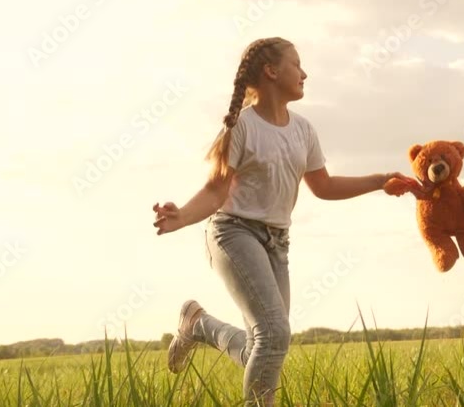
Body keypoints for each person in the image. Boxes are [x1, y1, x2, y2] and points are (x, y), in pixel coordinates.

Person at [152, 37, 421, 405]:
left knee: (262, 349)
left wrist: (379, 182)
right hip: (233, 233)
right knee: (274, 335)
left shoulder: (303, 130)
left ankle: (197, 324)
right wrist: (181, 216)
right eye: (297, 64)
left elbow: (323, 186)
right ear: (271, 71)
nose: (304, 72)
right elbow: (216, 191)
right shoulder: (241, 127)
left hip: (277, 243)